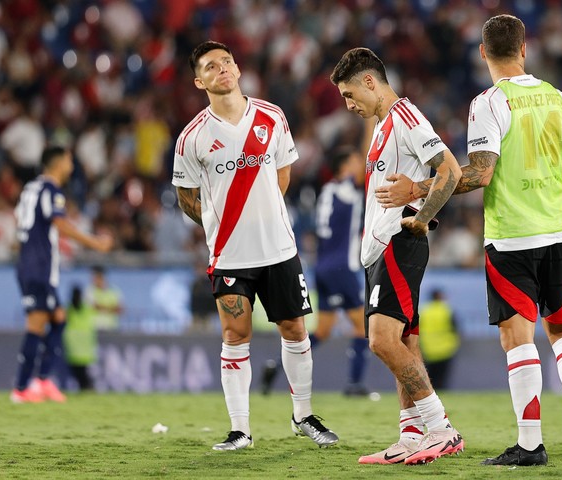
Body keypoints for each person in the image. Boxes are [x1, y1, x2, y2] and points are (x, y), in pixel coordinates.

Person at [375, 15, 562, 466]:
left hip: (512, 237)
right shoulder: (560, 99)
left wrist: (419, 191)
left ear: (482, 53)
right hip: (560, 231)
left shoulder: (489, 103)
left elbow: (480, 172)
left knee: (518, 339)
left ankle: (531, 444)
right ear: (524, 49)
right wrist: (545, 199)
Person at [172, 40, 338, 451]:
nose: (222, 69)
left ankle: (303, 415)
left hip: (278, 248)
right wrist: (219, 224)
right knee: (235, 333)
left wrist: (262, 217)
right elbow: (186, 198)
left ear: (238, 68)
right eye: (211, 66)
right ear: (199, 81)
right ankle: (240, 429)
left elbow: (282, 177)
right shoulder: (192, 137)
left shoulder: (272, 117)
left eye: (227, 62)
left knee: (295, 329)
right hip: (230, 253)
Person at [330, 47, 464, 465]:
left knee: (381, 340)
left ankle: (441, 429)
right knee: (405, 341)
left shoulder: (406, 117)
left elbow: (450, 170)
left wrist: (422, 217)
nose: (349, 105)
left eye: (351, 95)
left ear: (370, 81)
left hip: (398, 242)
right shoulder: (382, 125)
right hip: (378, 248)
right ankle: (409, 435)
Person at [260, 146, 369, 396]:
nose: (358, 165)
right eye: (354, 160)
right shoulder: (347, 189)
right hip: (343, 267)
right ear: (344, 168)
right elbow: (366, 171)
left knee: (323, 330)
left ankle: (276, 366)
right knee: (362, 327)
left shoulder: (328, 191)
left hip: (323, 266)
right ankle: (354, 384)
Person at [11, 145, 112, 403]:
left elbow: (21, 220)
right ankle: (22, 388)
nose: (71, 163)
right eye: (68, 159)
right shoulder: (51, 190)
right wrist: (94, 243)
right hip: (39, 267)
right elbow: (59, 223)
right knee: (36, 324)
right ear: (58, 163)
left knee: (58, 318)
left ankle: (42, 380)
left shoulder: (30, 189)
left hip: (33, 264)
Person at [418, 289, 460, 390]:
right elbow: (455, 328)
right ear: (440, 297)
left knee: (429, 378)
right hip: (446, 349)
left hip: (427, 348)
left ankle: (430, 398)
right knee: (442, 378)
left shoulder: (423, 311)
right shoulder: (447, 310)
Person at [63, 285, 97, 391]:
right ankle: (88, 389)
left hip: (74, 349)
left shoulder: (68, 310)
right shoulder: (87, 309)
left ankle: (87, 389)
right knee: (83, 375)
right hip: (85, 349)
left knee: (81, 375)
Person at [85, 265, 123, 331]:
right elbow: (95, 306)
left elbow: (120, 309)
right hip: (95, 328)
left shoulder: (114, 290)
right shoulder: (89, 290)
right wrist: (111, 309)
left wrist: (105, 308)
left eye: (96, 277)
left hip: (112, 327)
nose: (93, 279)